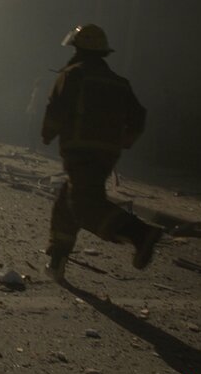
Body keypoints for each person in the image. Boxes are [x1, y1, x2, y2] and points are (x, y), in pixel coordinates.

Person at [41, 23, 161, 282]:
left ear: (78, 49)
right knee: (67, 201)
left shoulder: (73, 74)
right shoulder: (119, 82)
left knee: (84, 205)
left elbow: (56, 108)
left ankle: (140, 233)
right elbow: (139, 116)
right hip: (107, 153)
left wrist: (47, 134)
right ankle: (57, 260)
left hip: (79, 150)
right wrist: (122, 141)